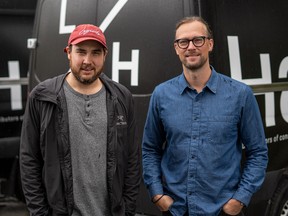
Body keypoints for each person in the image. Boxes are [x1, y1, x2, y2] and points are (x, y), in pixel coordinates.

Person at [142, 16, 268, 216]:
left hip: (223, 211)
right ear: (176, 48)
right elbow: (150, 149)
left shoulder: (240, 95)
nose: (190, 47)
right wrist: (157, 194)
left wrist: (239, 199)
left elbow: (258, 153)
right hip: (176, 210)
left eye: (197, 40)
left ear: (210, 44)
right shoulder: (161, 94)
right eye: (183, 41)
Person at [20, 24, 141, 216]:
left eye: (95, 53)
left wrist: (127, 209)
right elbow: (29, 160)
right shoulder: (42, 97)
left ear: (105, 55)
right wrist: (40, 213)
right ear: (68, 52)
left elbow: (133, 159)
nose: (87, 60)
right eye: (81, 52)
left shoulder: (122, 97)